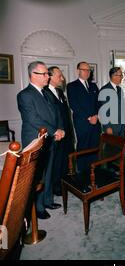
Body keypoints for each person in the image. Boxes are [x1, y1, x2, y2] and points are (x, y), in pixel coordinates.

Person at [17, 61, 64, 219]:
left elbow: (56, 113)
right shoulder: (25, 95)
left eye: (48, 73)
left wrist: (59, 129)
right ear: (33, 75)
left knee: (49, 171)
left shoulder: (46, 93)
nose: (47, 76)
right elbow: (33, 119)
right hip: (35, 140)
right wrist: (54, 130)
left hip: (50, 138)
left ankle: (48, 200)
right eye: (44, 74)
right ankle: (38, 208)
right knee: (37, 176)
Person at [45, 66, 75, 196]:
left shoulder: (60, 93)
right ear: (50, 77)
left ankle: (63, 184)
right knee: (55, 162)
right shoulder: (45, 93)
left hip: (66, 133)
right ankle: (55, 187)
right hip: (55, 135)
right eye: (59, 76)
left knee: (64, 160)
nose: (62, 79)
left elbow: (65, 114)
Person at [67, 62, 101, 174]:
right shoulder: (72, 86)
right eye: (84, 70)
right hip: (82, 123)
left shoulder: (93, 86)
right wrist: (88, 117)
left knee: (95, 146)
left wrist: (96, 116)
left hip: (95, 122)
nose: (87, 72)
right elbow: (74, 105)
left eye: (88, 70)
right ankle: (82, 172)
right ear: (78, 71)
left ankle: (94, 170)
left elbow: (98, 103)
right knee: (83, 147)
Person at [98, 67, 125, 138]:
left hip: (121, 127)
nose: (121, 77)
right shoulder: (104, 90)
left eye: (121, 75)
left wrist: (124, 123)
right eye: (120, 75)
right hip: (111, 127)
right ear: (113, 76)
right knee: (112, 148)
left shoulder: (119, 89)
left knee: (121, 148)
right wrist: (107, 127)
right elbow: (103, 111)